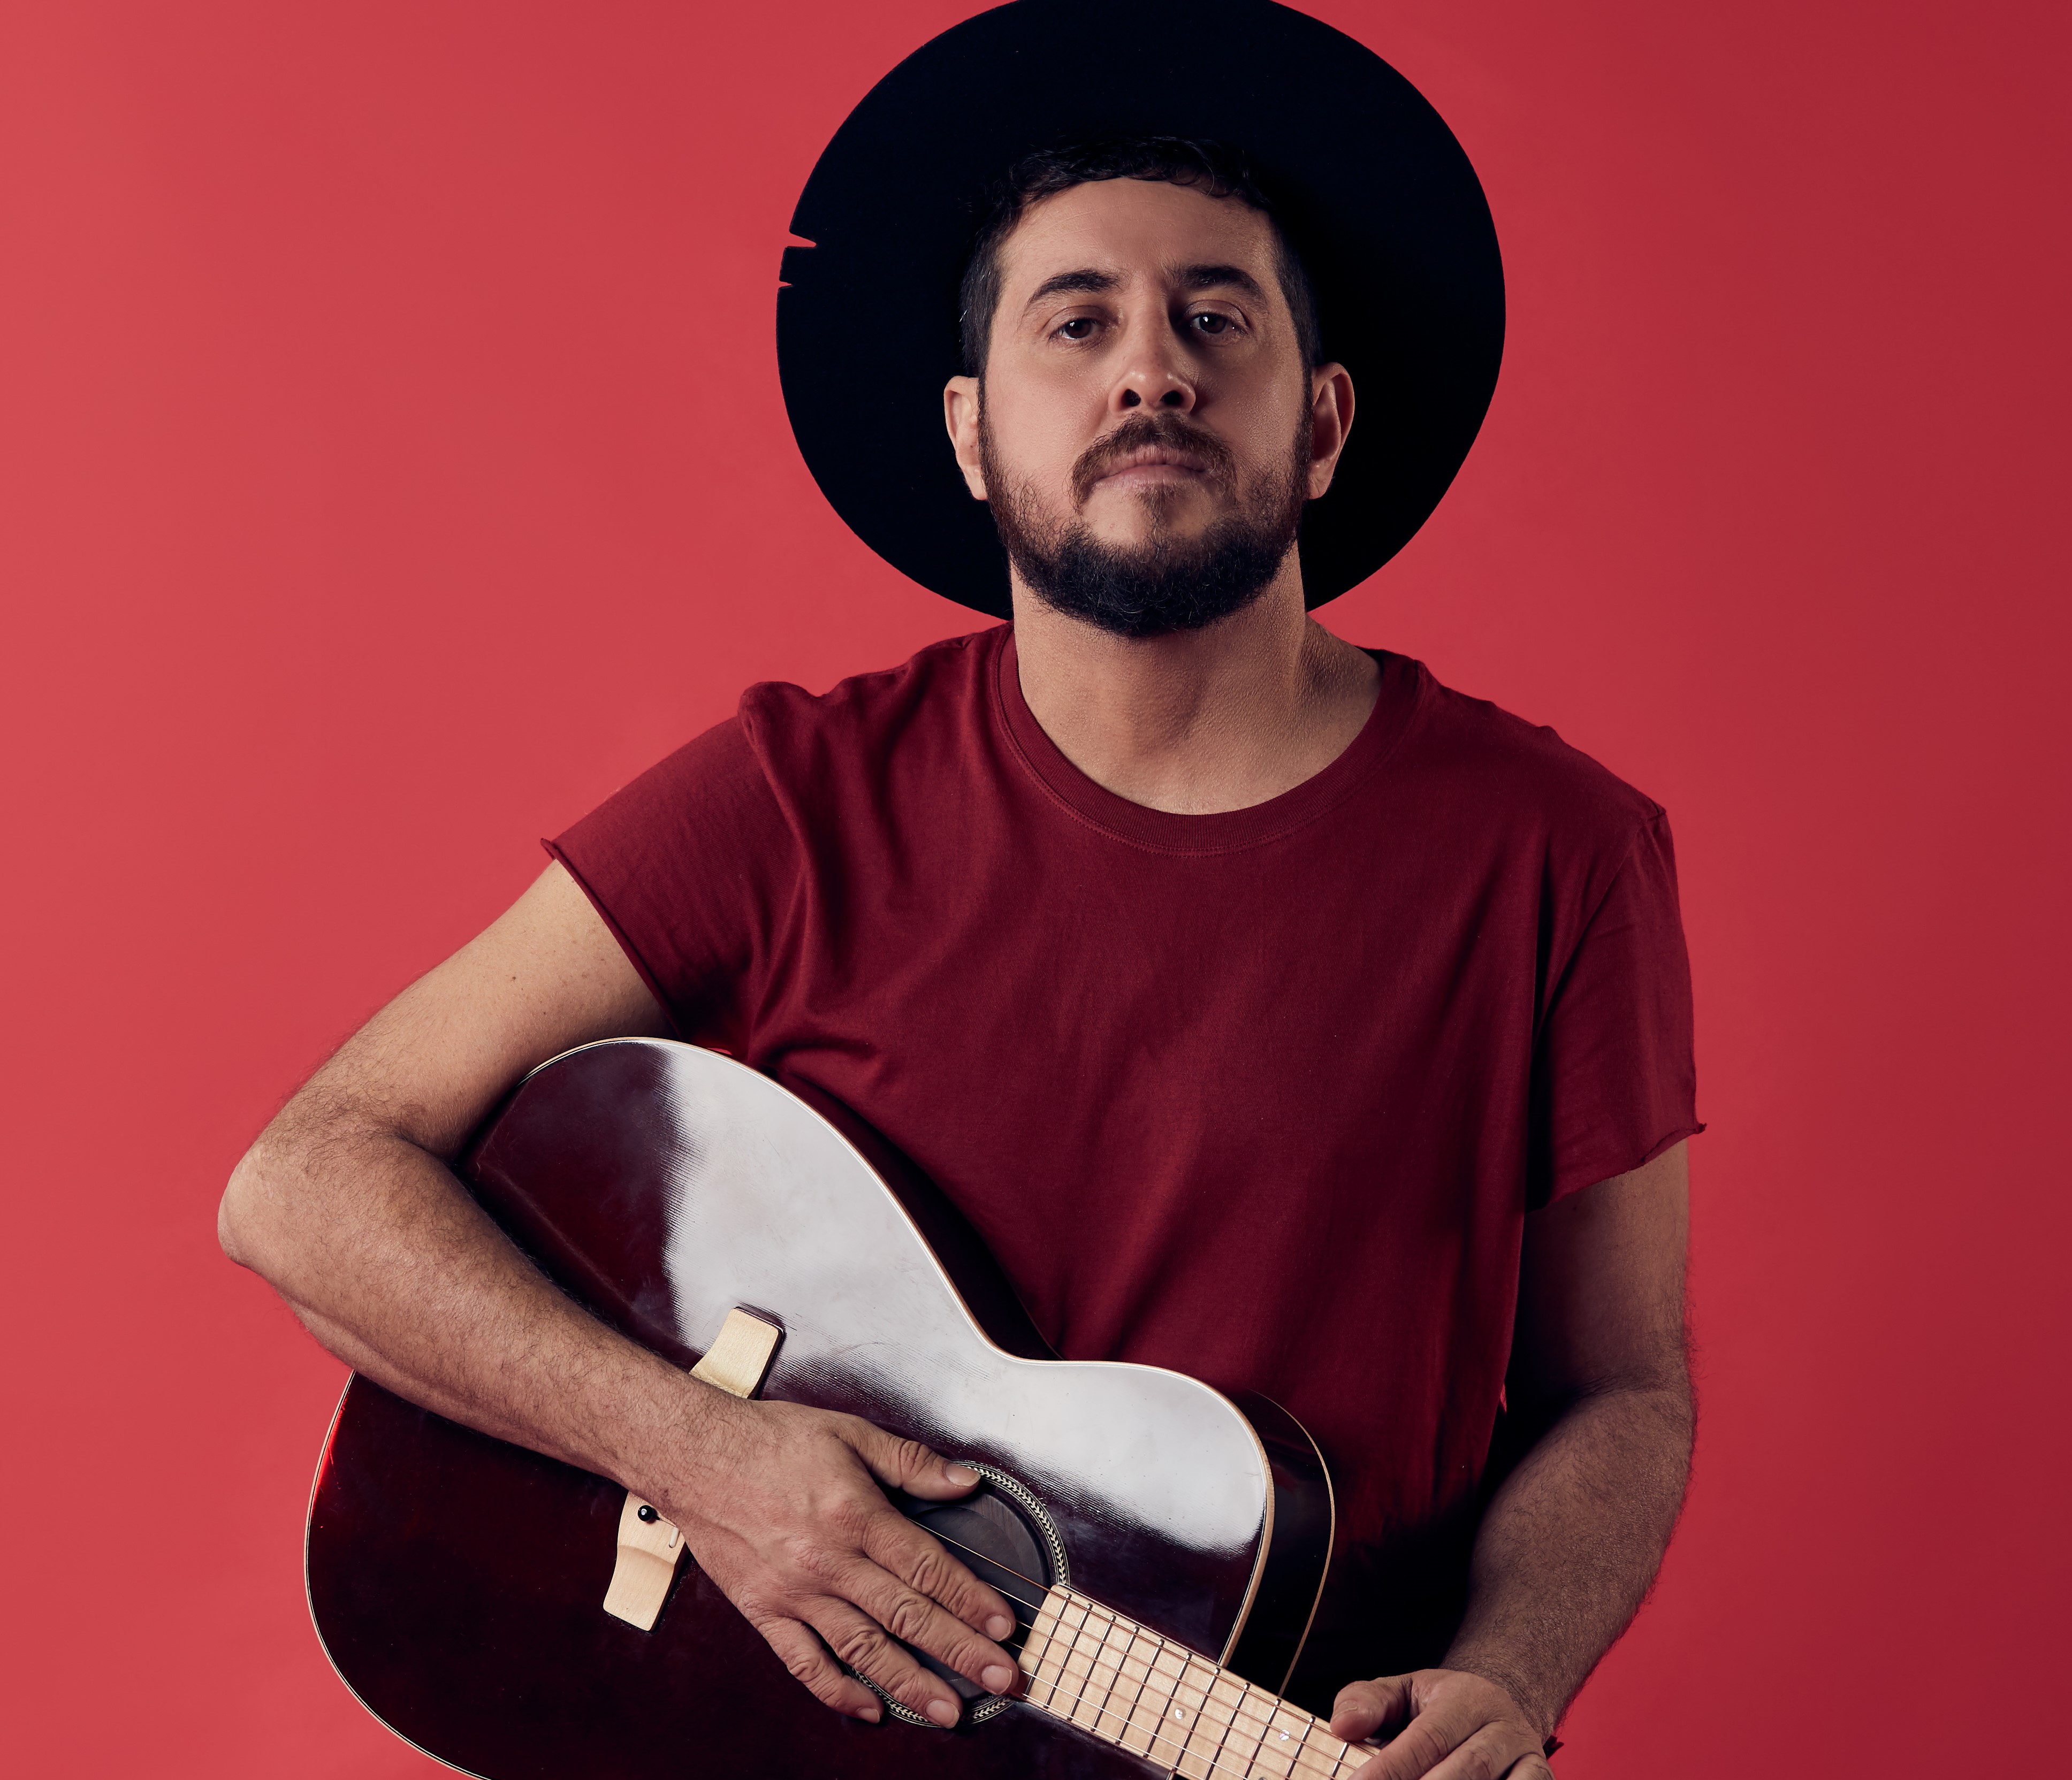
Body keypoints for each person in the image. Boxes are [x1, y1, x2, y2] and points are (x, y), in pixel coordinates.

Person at [219, 9, 1701, 1778]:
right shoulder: (796, 796)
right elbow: (305, 1183)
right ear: (972, 433)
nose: (1150, 370)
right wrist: (696, 1458)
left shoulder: (1558, 851)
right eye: (1076, 323)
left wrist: (1515, 1672)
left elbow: (1624, 1388)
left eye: (1215, 318)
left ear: (1322, 423)